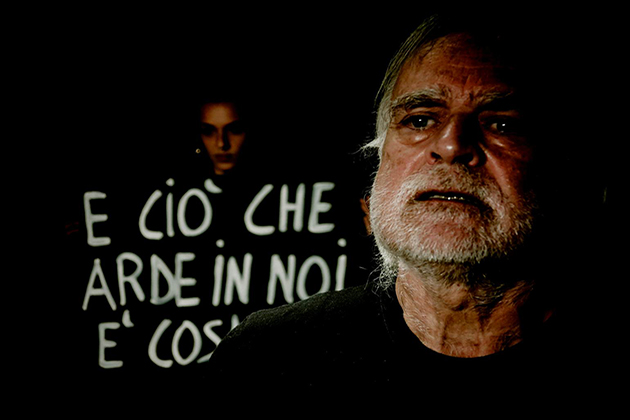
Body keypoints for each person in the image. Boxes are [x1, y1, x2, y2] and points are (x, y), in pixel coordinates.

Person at [204, 12, 618, 406]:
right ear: (380, 155)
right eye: (419, 120)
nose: (451, 145)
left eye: (501, 124)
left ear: (567, 168)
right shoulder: (267, 358)